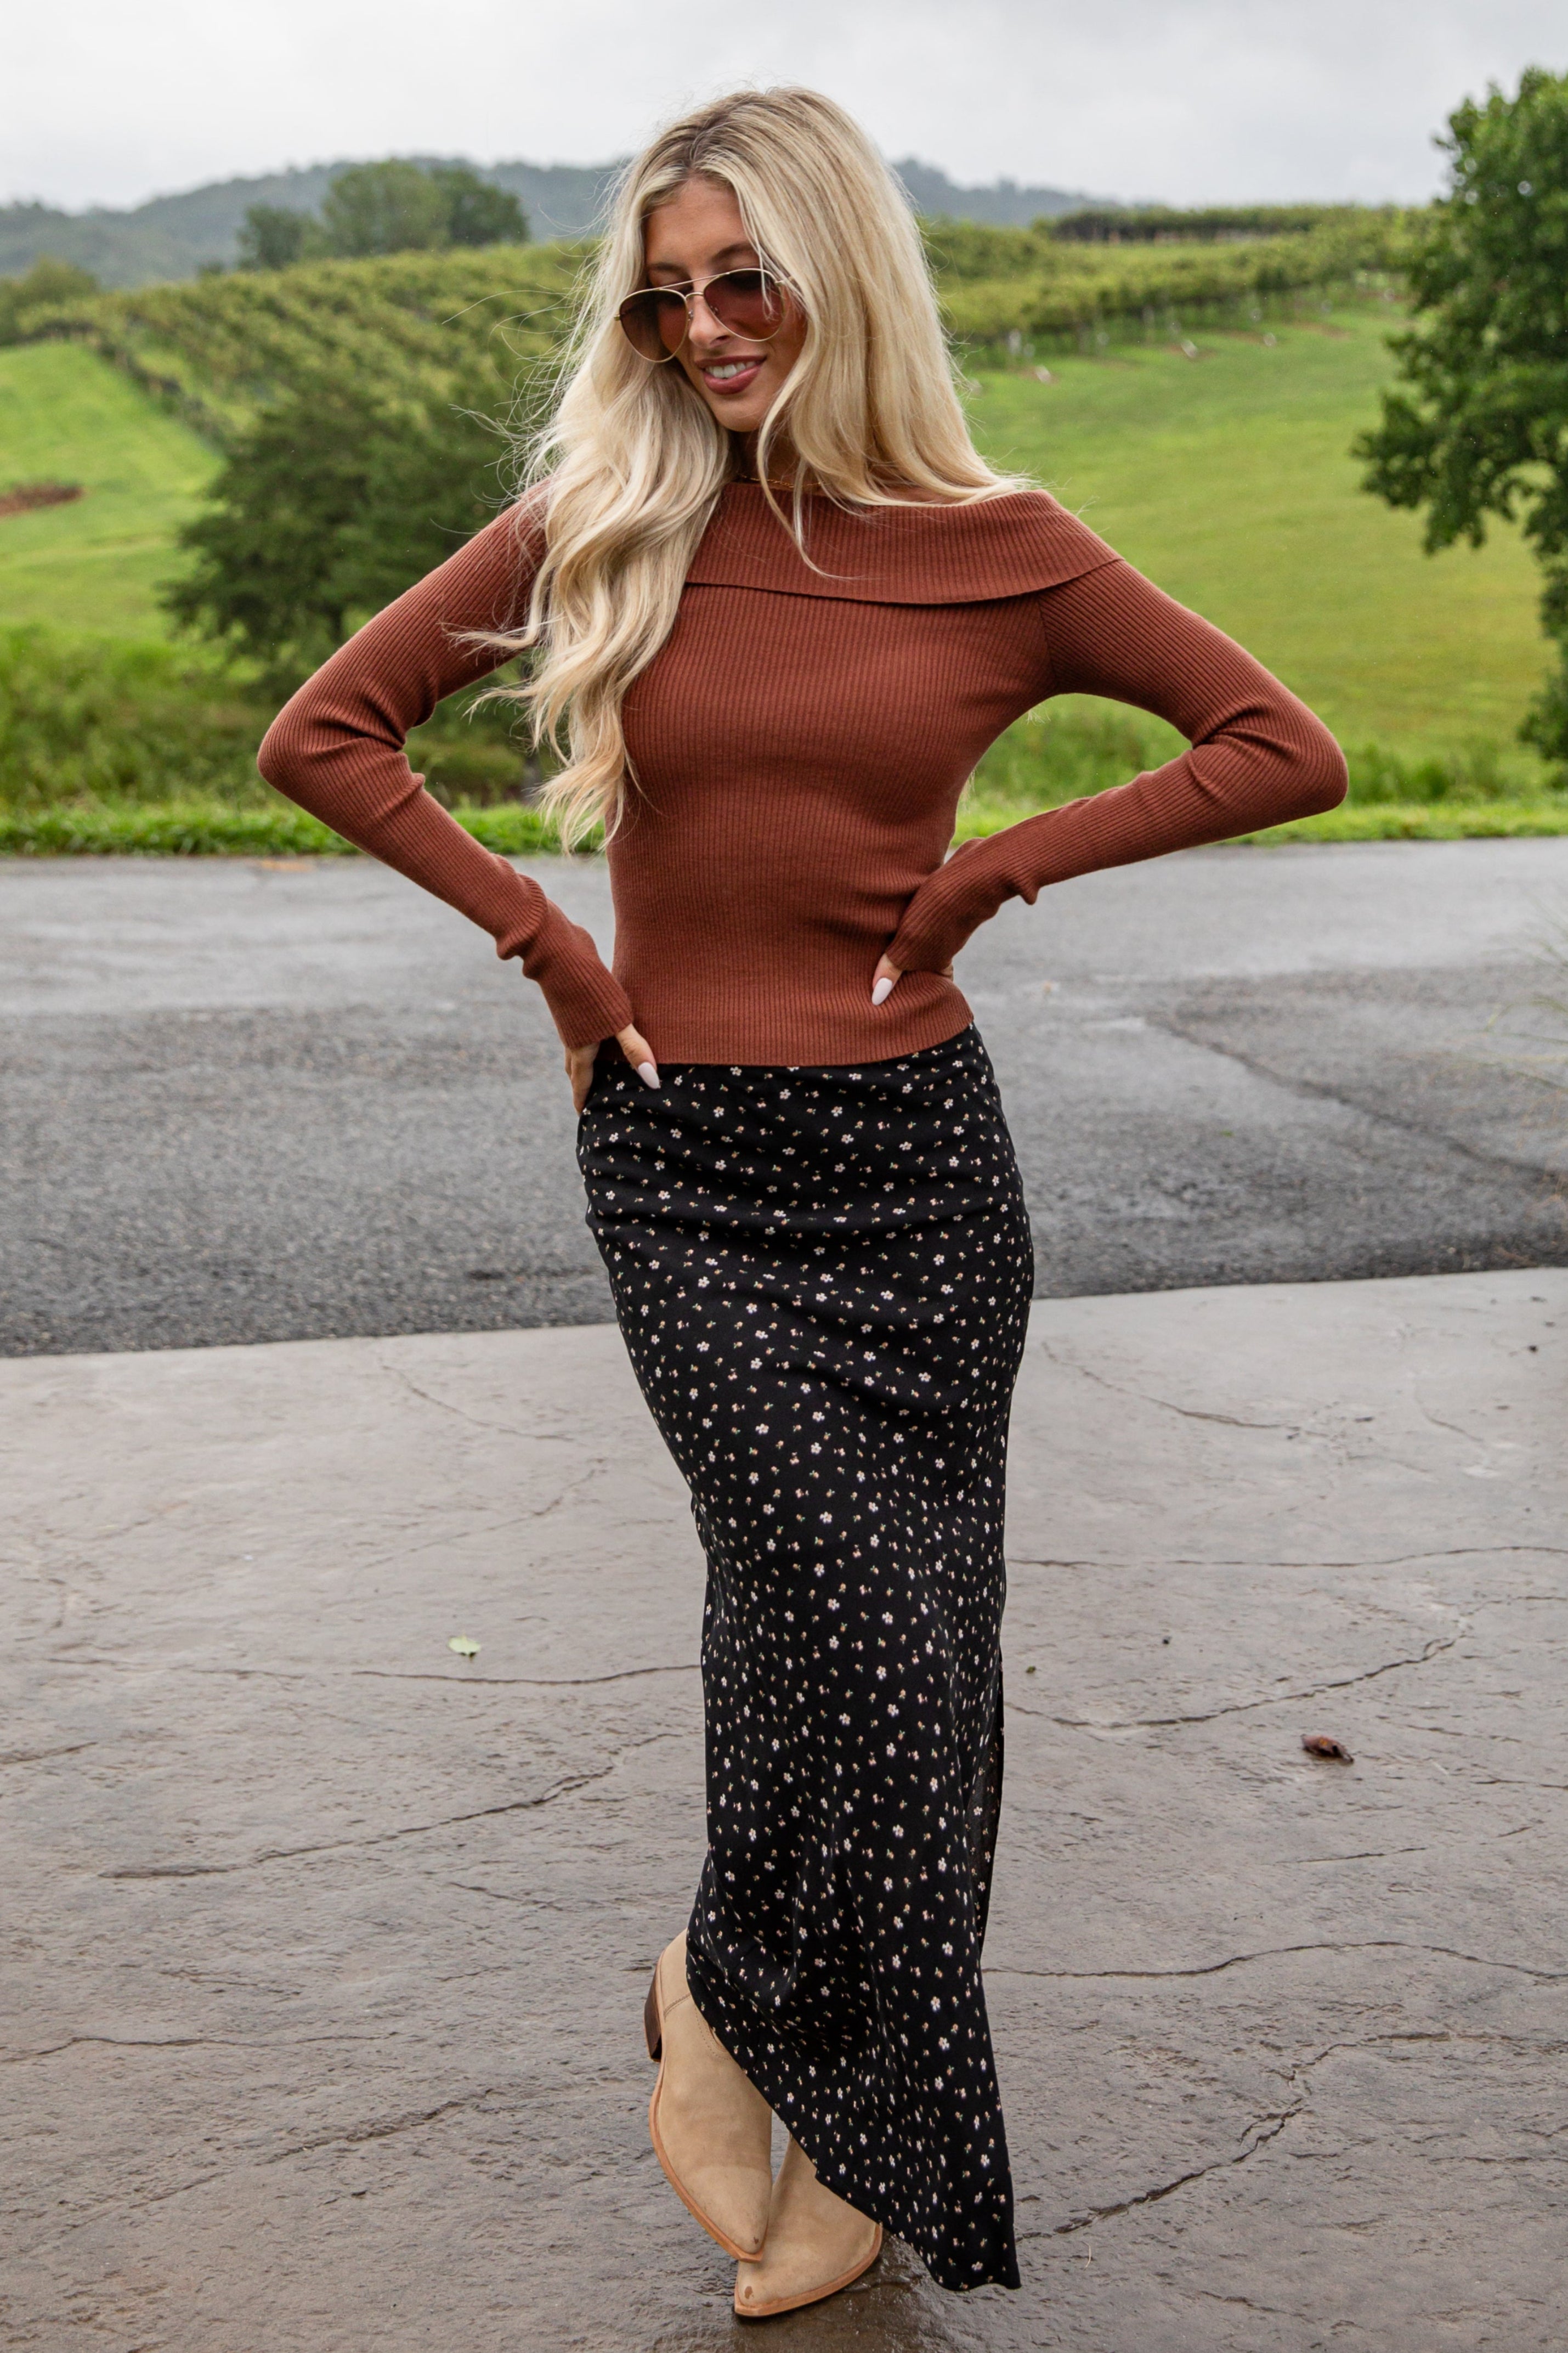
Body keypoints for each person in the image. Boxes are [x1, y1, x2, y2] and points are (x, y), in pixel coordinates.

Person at [258, 85, 1346, 2320]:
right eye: (663, 299)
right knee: (843, 1617)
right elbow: (326, 732)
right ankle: (751, 2000)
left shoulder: (1002, 547)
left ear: (841, 275)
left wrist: (997, 868)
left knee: (893, 1661)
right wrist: (553, 950)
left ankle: (814, 2096)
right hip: (684, 1170)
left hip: (922, 1177)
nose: (702, 329)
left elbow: (1280, 744)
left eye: (741, 281)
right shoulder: (604, 518)